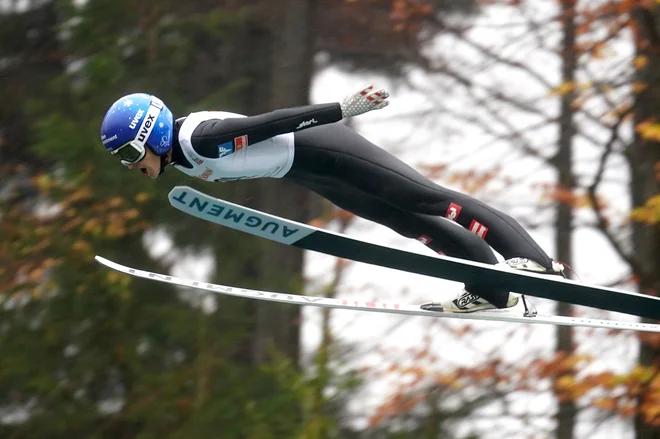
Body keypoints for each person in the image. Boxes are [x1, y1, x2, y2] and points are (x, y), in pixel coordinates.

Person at [99, 86, 565, 313]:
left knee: (425, 199)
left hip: (324, 147)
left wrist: (343, 109)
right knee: (402, 220)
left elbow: (274, 121)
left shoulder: (200, 139)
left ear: (150, 134)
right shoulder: (180, 156)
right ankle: (490, 289)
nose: (128, 163)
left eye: (128, 151)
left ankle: (532, 260)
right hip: (308, 172)